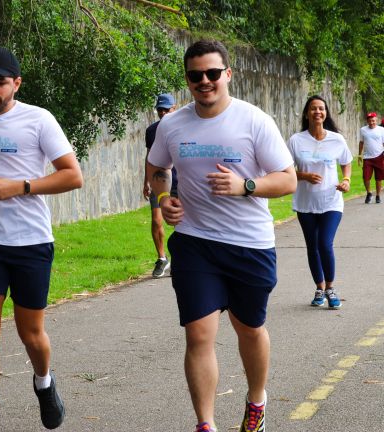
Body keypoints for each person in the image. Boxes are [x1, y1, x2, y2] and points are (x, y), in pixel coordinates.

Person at [146, 40, 297, 432]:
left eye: (213, 73)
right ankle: (205, 424)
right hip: (196, 242)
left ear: (228, 74)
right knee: (198, 333)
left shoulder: (254, 121)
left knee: (249, 328)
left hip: (249, 243)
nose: (205, 81)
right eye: (196, 76)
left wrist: (245, 185)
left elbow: (287, 179)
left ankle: (256, 402)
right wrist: (164, 198)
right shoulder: (172, 125)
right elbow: (156, 168)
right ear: (187, 80)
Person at [0, 47, 83, 432]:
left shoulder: (39, 121)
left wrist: (22, 186)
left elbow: (73, 175)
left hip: (30, 243)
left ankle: (44, 380)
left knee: (31, 333)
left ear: (16, 84)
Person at [287, 95, 352, 310]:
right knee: (312, 247)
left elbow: (346, 162)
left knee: (324, 243)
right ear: (307, 113)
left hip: (331, 201)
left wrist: (346, 179)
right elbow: (284, 169)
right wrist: (304, 176)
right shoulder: (296, 140)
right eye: (313, 109)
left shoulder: (336, 139)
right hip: (305, 203)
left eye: (321, 109)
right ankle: (319, 287)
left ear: (326, 113)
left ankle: (330, 288)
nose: (318, 112)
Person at [144, 93, 177, 278]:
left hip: (180, 182)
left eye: (167, 109)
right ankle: (162, 258)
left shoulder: (184, 128)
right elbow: (149, 158)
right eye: (160, 110)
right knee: (157, 220)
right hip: (158, 181)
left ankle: (178, 258)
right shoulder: (151, 131)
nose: (163, 113)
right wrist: (146, 181)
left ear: (175, 108)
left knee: (179, 222)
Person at [357, 112, 384, 203]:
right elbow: (361, 142)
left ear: (376, 120)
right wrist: (360, 155)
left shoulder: (381, 130)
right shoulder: (363, 130)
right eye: (369, 120)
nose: (371, 122)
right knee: (366, 177)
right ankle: (369, 193)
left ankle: (378, 196)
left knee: (378, 178)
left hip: (379, 156)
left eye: (373, 120)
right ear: (367, 121)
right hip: (367, 157)